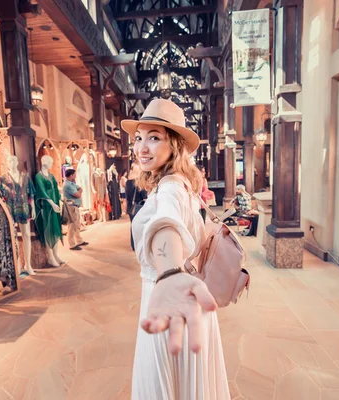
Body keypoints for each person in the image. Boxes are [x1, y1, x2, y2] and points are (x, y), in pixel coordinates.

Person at [121, 98, 230, 398]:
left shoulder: (169, 189)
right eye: (139, 138)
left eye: (154, 138)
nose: (142, 147)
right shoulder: (179, 183)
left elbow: (166, 226)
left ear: (175, 145)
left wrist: (169, 273)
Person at [62, 169, 89, 251]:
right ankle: (72, 244)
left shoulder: (72, 183)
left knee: (77, 225)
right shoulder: (67, 185)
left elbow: (80, 188)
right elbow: (77, 194)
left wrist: (79, 190)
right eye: (74, 174)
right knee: (72, 226)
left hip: (75, 206)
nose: (75, 175)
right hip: (71, 206)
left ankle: (79, 240)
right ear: (71, 175)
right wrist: (79, 191)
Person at [125, 163, 148, 250]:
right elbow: (144, 197)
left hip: (131, 207)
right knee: (140, 226)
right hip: (139, 206)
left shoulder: (128, 182)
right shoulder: (139, 182)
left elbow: (127, 196)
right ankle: (139, 245)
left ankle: (133, 245)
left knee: (133, 226)